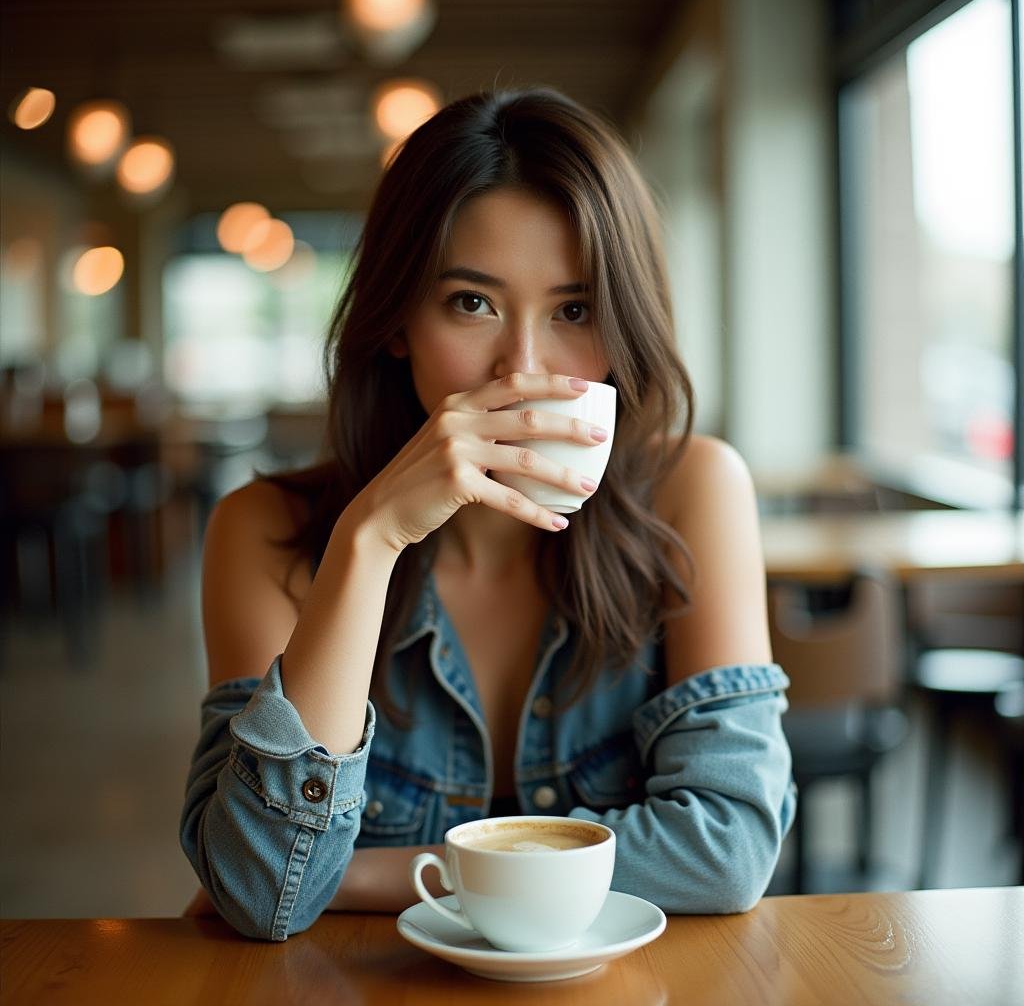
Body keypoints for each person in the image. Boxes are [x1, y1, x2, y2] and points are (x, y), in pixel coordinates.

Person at [180, 87, 795, 942]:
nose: (523, 365)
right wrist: (372, 538)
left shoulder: (694, 490)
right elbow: (258, 890)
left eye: (574, 310)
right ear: (397, 319)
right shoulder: (265, 532)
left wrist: (365, 876)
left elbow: (725, 851)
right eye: (473, 302)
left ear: (623, 328)